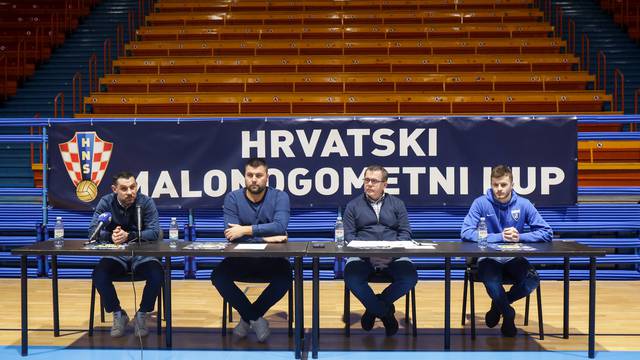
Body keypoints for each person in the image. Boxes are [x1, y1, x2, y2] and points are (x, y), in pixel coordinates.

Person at [461, 165, 553, 337]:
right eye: (495, 185)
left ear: (512, 184)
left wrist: (521, 237)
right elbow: (466, 233)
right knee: (491, 281)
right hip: (488, 257)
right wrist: (499, 236)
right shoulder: (480, 203)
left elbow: (546, 232)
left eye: (503, 185)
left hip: (514, 257)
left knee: (532, 280)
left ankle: (498, 307)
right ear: (491, 184)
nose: (499, 189)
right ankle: (509, 314)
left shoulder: (524, 204)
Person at [211, 158, 291, 342]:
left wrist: (245, 230)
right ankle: (257, 319)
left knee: (285, 279)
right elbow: (231, 234)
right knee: (218, 276)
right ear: (245, 177)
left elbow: (280, 226)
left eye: (259, 175)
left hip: (272, 260)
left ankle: (248, 318)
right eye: (250, 175)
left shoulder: (280, 197)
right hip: (241, 258)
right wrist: (265, 237)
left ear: (267, 177)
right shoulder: (233, 198)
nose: (254, 179)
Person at [342, 165, 417, 336]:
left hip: (393, 256)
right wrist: (370, 254)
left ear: (385, 184)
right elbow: (348, 236)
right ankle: (384, 312)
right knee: (351, 276)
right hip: (362, 257)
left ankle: (372, 308)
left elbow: (405, 233)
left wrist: (390, 255)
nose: (369, 184)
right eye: (366, 180)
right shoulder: (353, 205)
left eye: (374, 181)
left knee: (410, 277)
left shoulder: (397, 204)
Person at [88, 171, 163, 338]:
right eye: (124, 188)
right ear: (114, 189)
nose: (130, 192)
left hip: (142, 254)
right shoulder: (106, 202)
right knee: (99, 275)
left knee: (157, 274)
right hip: (116, 254)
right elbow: (93, 232)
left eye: (133, 187)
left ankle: (142, 314)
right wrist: (111, 237)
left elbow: (154, 232)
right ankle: (118, 313)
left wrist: (129, 236)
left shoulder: (146, 202)